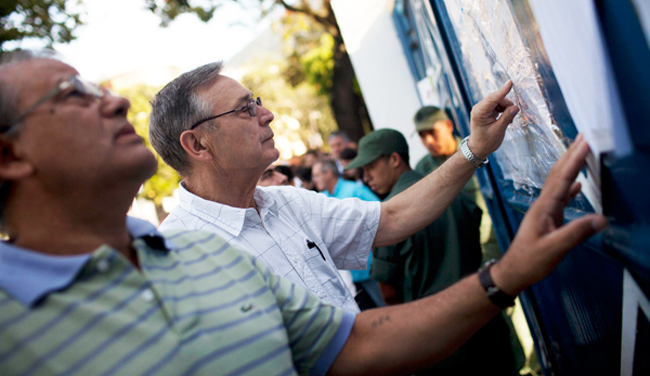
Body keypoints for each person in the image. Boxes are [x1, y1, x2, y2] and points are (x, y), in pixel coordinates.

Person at [0, 50, 607, 375]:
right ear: (197, 144)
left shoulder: (226, 239)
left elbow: (357, 325)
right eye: (246, 109)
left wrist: (475, 150)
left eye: (259, 102)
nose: (114, 101)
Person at [345, 128, 518, 375]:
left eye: (370, 167)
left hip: (439, 340)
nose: (366, 176)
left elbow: (390, 294)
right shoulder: (454, 193)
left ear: (394, 160)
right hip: (485, 322)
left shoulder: (386, 219)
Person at [414, 105, 501, 261]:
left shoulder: (476, 153)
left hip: (490, 244)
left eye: (432, 132)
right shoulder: (422, 169)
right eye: (422, 135)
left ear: (448, 126)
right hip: (455, 254)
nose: (428, 141)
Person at [311, 158, 384, 310]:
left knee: (387, 308)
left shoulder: (354, 190)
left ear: (329, 173)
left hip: (373, 265)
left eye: (317, 175)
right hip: (350, 273)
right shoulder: (321, 199)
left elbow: (381, 213)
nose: (314, 180)